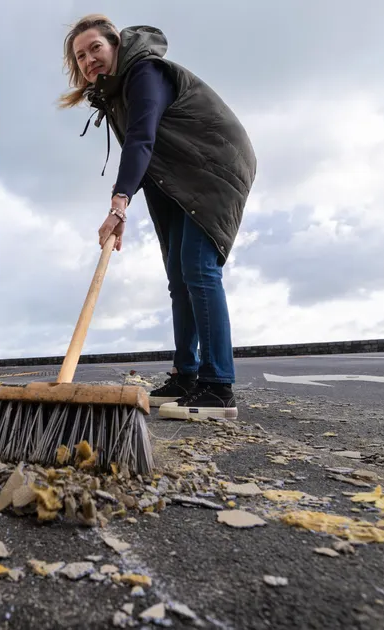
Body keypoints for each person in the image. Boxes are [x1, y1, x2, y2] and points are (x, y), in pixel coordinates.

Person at [59, 14, 257, 420]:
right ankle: (186, 376)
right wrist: (126, 207)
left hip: (212, 165)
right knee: (177, 275)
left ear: (115, 44)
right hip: (172, 175)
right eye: (80, 56)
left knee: (198, 269)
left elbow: (141, 138)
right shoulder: (112, 94)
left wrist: (118, 202)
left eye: (95, 48)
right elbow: (145, 152)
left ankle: (218, 387)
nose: (89, 60)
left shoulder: (144, 72)